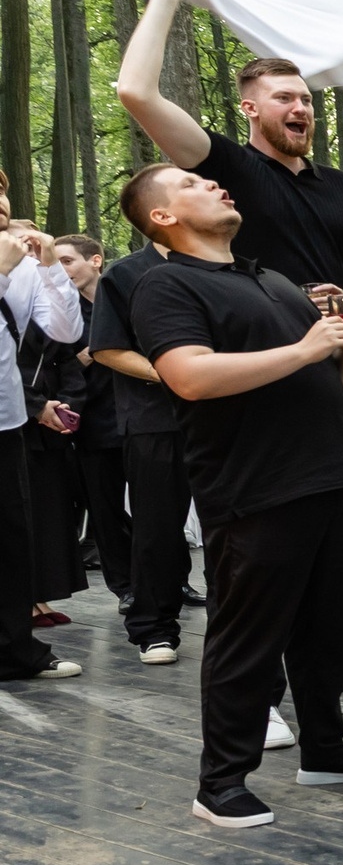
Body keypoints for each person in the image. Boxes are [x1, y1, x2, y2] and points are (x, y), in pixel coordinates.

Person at [117, 0, 343, 722]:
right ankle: (266, 702)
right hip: (256, 379)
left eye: (308, 99)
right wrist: (170, 1)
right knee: (259, 552)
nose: (300, 108)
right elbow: (136, 94)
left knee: (342, 542)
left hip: (339, 373)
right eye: (284, 98)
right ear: (248, 108)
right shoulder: (224, 172)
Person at [123, 164, 343, 822]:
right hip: (257, 487)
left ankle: (327, 749)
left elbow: (329, 379)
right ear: (161, 216)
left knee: (326, 633)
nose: (217, 186)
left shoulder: (272, 280)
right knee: (246, 639)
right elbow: (189, 377)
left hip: (334, 476)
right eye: (193, 185)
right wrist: (309, 347)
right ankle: (220, 782)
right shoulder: (165, 285)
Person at [85, 232, 200, 662]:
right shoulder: (125, 273)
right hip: (155, 419)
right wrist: (172, 373)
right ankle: (154, 628)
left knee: (237, 529)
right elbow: (107, 349)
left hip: (229, 416)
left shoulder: (234, 268)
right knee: (158, 528)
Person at [0, 201, 86, 681]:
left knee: (12, 539)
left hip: (7, 417)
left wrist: (49, 263)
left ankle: (15, 650)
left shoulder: (28, 263)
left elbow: (65, 330)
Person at [53, 236, 133, 610]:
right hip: (94, 424)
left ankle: (173, 580)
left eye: (67, 261)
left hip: (140, 416)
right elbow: (57, 371)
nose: (62, 270)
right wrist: (92, 354)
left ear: (96, 261)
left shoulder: (125, 300)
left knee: (160, 509)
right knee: (105, 511)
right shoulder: (60, 315)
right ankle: (125, 587)